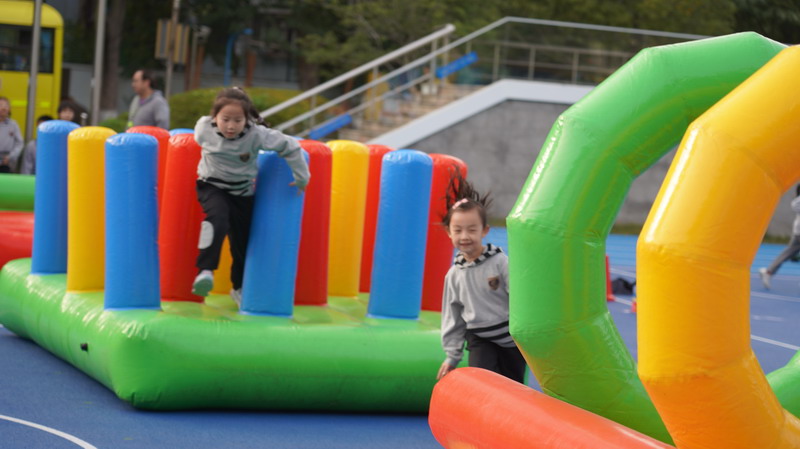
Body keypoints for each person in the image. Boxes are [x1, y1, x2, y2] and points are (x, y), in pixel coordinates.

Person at [191, 87, 310, 306]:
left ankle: (238, 287)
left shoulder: (257, 134)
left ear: (247, 120)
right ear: (214, 116)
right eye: (225, 119)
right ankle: (205, 271)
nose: (231, 126)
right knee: (217, 219)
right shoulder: (203, 129)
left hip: (242, 192)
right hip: (212, 185)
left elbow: (291, 146)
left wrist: (302, 177)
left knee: (242, 243)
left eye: (238, 120)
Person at [436, 173, 526, 383]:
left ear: (484, 230)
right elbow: (452, 316)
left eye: (471, 230)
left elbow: (520, 297)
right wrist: (452, 355)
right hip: (480, 338)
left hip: (511, 340)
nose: (464, 236)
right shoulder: (454, 275)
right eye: (458, 230)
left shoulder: (499, 262)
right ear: (449, 232)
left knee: (513, 385)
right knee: (483, 381)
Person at [759, 184, 800, 289]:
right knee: (788, 253)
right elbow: (794, 205)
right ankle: (768, 272)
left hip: (797, 231)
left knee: (788, 253)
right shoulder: (797, 202)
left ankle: (768, 272)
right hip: (798, 232)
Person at [0, 96, 23, 173]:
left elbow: (19, 143)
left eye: (6, 106)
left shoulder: (13, 124)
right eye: (1, 105)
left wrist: (10, 157)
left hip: (7, 161)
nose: (4, 108)